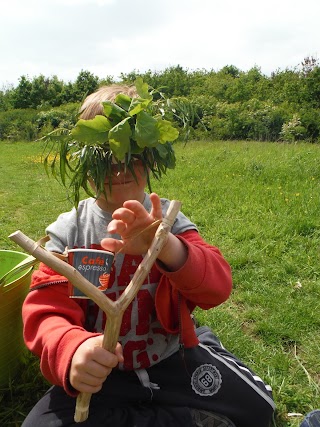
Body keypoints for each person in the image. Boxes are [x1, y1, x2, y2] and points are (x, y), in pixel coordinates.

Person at [21, 83, 275, 427]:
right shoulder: (69, 234)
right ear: (83, 161)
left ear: (152, 154)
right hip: (102, 375)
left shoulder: (169, 219)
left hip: (173, 359)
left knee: (258, 408)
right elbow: (46, 314)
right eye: (103, 156)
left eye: (133, 153)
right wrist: (72, 350)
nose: (119, 167)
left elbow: (217, 287)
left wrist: (165, 245)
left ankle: (193, 362)